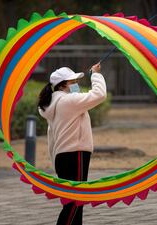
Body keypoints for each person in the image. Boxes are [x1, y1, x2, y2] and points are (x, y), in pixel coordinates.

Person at [38, 63, 106, 225]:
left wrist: (77, 89)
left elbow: (79, 98)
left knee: (75, 202)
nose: (76, 83)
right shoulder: (68, 102)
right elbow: (100, 94)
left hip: (63, 157)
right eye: (73, 81)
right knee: (75, 203)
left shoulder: (54, 103)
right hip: (76, 154)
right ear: (63, 85)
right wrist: (95, 75)